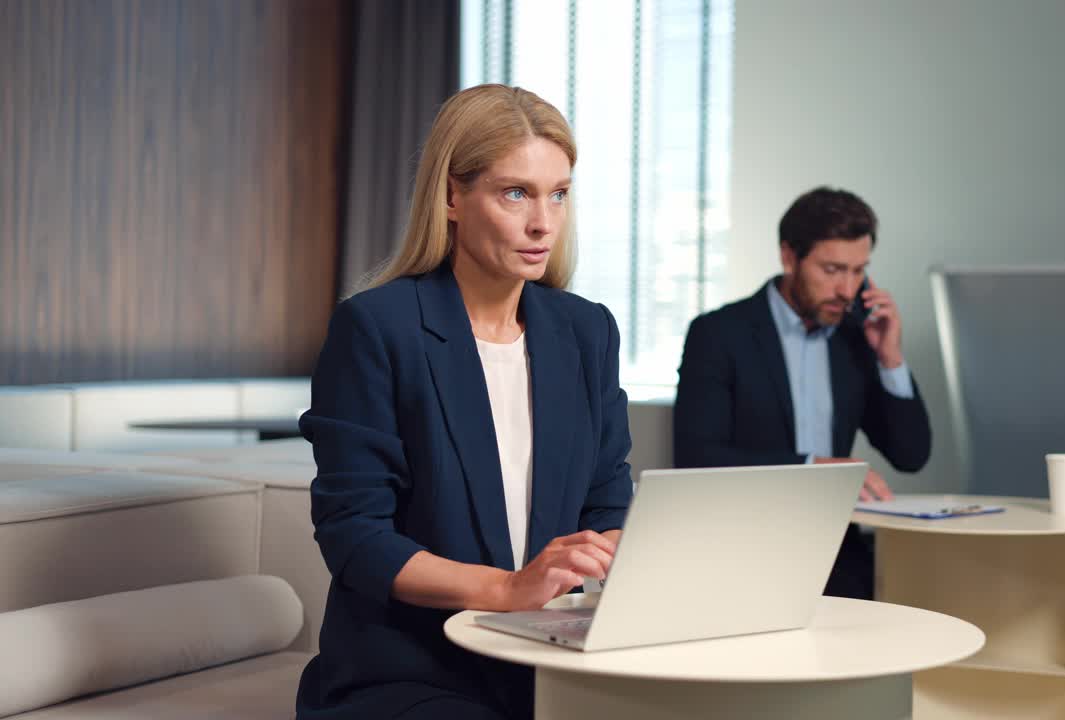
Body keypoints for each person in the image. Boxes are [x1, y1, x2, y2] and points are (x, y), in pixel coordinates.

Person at [295, 84, 633, 720]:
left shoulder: (587, 331)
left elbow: (608, 501)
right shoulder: (377, 327)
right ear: (452, 196)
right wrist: (508, 589)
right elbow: (356, 537)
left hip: (548, 660)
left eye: (558, 194)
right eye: (516, 193)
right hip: (409, 673)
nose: (543, 222)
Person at [672, 187, 930, 600]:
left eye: (859, 270)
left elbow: (911, 454)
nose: (848, 290)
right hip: (742, 554)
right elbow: (697, 458)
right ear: (789, 256)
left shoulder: (855, 337)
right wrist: (816, 468)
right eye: (832, 270)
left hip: (838, 558)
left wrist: (890, 357)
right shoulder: (720, 333)